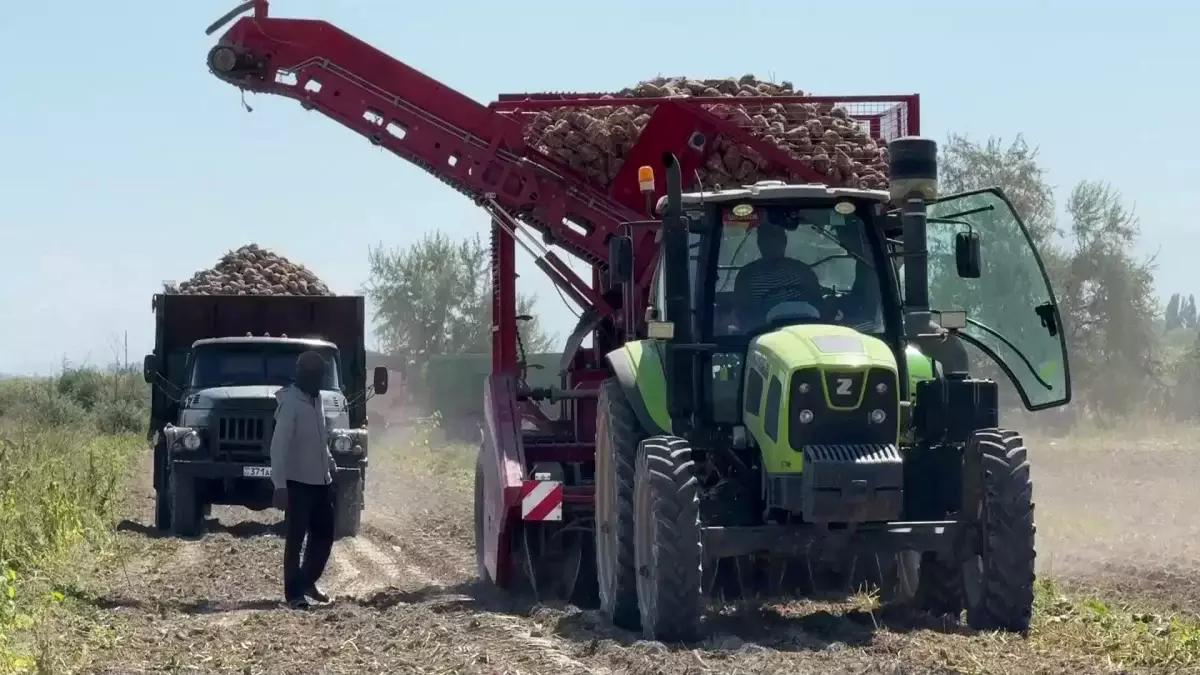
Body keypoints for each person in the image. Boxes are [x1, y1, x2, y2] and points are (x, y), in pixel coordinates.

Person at [269, 350, 337, 609]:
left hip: (321, 483)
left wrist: (330, 464)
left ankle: (307, 581)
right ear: (303, 375)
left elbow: (321, 440)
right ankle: (293, 595)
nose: (319, 381)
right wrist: (279, 486)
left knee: (324, 536)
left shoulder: (316, 399)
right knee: (295, 540)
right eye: (315, 376)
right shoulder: (291, 403)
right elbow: (279, 447)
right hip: (298, 484)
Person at [732, 220, 824, 329]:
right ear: (759, 243)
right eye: (767, 240)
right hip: (763, 332)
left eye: (776, 239)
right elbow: (743, 314)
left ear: (784, 241)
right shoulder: (746, 276)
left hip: (805, 327)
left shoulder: (802, 271)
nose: (772, 244)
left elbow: (818, 303)